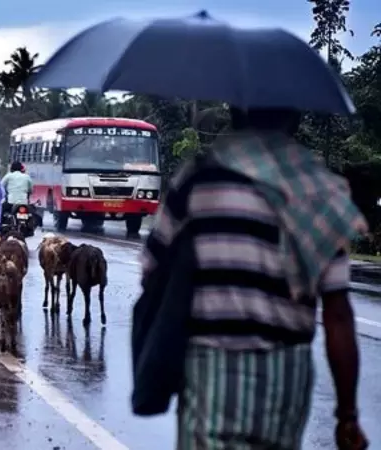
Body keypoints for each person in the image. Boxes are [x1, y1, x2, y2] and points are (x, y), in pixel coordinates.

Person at [140, 107, 367, 449]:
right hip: (286, 376)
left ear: (236, 114)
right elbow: (338, 314)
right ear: (295, 119)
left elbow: (151, 271)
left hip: (210, 369)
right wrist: (347, 414)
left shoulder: (199, 179)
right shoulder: (321, 191)